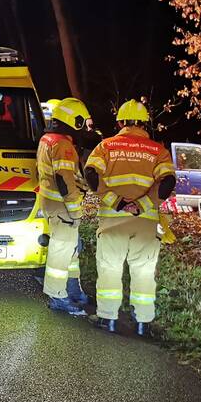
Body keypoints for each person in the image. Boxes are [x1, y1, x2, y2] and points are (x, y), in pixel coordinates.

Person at [83, 99, 176, 335]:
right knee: (144, 273)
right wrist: (142, 204)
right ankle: (143, 323)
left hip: (113, 220)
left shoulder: (106, 147)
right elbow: (167, 182)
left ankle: (108, 318)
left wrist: (117, 202)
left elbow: (91, 174)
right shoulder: (158, 151)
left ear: (120, 123)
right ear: (145, 123)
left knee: (110, 269)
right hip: (145, 222)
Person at [37, 97, 90, 316]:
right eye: (82, 122)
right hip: (63, 207)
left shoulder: (48, 139)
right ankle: (57, 296)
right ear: (74, 120)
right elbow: (64, 179)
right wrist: (75, 211)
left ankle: (72, 289)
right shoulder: (63, 145)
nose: (84, 127)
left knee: (70, 250)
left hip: (52, 204)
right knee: (61, 252)